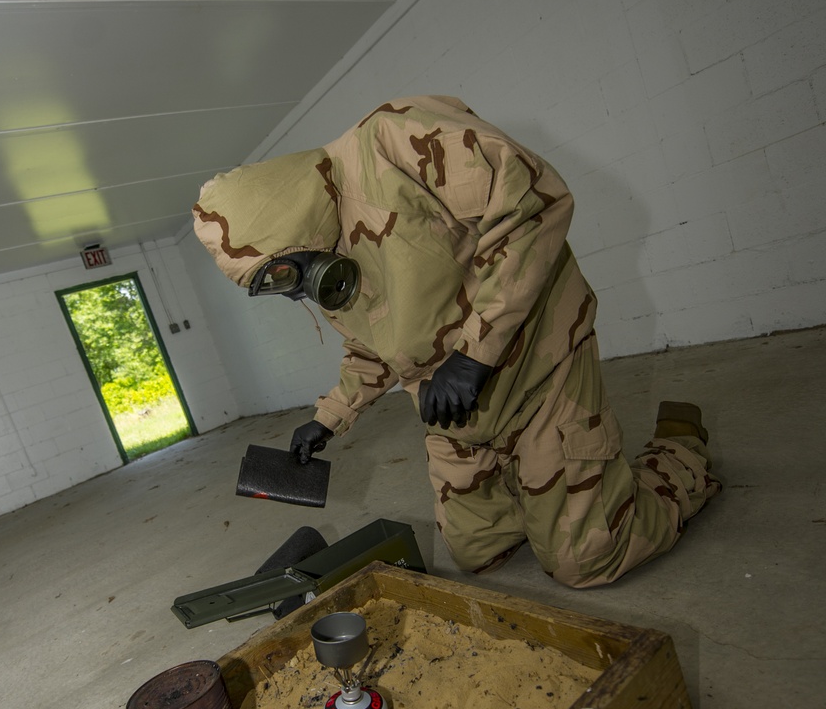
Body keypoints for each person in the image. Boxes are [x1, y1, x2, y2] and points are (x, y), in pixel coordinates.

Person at [193, 95, 719, 588]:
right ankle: (545, 487)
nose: (291, 296)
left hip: (537, 369)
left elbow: (533, 208)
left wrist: (473, 355)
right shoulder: (326, 266)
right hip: (452, 409)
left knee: (585, 560)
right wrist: (329, 417)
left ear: (289, 225)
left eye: (281, 276)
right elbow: (376, 346)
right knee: (476, 556)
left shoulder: (391, 141)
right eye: (271, 288)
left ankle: (679, 453)